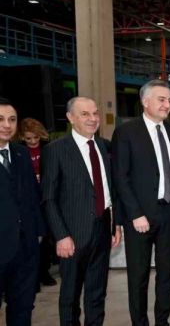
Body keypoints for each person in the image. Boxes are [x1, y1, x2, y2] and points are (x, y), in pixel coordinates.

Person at [112, 79, 170, 326]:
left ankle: (162, 321)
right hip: (140, 216)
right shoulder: (126, 132)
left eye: (169, 100)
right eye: (161, 99)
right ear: (145, 101)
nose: (167, 104)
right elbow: (120, 177)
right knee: (138, 276)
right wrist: (135, 214)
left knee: (166, 273)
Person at [42, 97, 122, 326]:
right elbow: (48, 199)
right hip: (72, 234)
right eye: (85, 114)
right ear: (70, 118)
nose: (93, 119)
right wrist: (61, 235)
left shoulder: (105, 147)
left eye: (95, 113)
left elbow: (111, 190)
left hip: (103, 229)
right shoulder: (56, 150)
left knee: (97, 293)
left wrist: (115, 224)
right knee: (70, 295)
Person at [0, 96, 45, 326]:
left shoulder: (21, 153)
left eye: (12, 119)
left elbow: (33, 197)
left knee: (23, 309)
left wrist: (38, 233)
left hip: (25, 250)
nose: (7, 125)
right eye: (0, 119)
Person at [19, 117, 56, 288]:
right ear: (22, 137)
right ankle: (33, 275)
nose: (33, 141)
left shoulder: (48, 149)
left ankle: (44, 271)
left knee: (47, 238)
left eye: (36, 137)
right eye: (29, 138)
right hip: (29, 201)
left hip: (46, 198)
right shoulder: (19, 152)